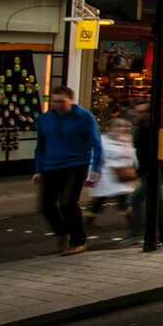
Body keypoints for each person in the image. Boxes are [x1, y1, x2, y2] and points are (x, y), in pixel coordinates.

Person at [32, 85, 102, 256]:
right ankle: (62, 231)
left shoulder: (84, 116)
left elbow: (96, 143)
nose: (56, 105)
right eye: (53, 101)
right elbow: (40, 146)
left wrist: (96, 167)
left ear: (71, 99)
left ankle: (78, 241)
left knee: (68, 203)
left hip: (76, 163)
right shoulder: (44, 118)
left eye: (61, 102)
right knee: (45, 206)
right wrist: (38, 169)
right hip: (51, 165)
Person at [124, 99, 163, 247]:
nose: (138, 115)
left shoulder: (156, 129)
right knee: (156, 205)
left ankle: (139, 233)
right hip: (148, 171)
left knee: (135, 200)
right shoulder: (141, 128)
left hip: (158, 171)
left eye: (142, 112)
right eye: (137, 111)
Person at [84, 117, 137, 228]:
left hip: (121, 175)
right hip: (105, 174)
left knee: (107, 199)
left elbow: (132, 155)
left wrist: (134, 166)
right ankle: (134, 222)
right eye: (117, 128)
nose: (120, 131)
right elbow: (95, 156)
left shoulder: (127, 139)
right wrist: (92, 172)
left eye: (123, 128)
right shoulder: (102, 141)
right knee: (107, 198)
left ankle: (89, 220)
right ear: (110, 129)